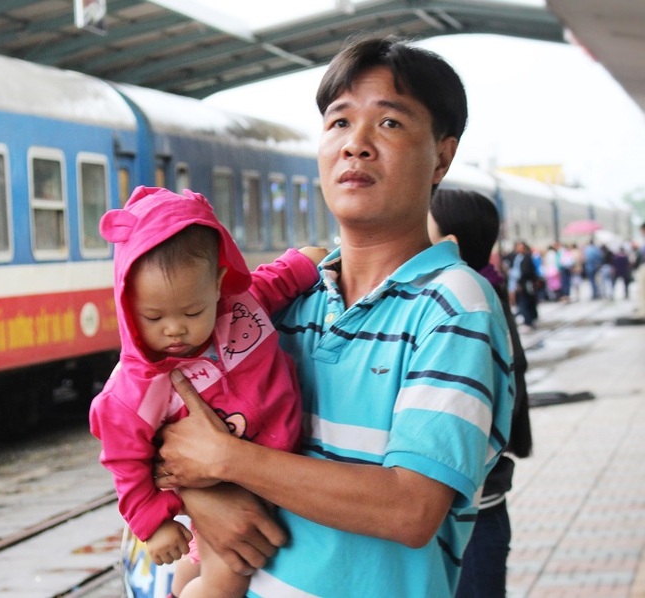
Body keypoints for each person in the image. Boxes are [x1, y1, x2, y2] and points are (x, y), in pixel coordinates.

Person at [153, 35, 514, 597]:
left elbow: (410, 509)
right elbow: (171, 426)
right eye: (339, 123)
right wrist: (206, 496)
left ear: (442, 156)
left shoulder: (453, 304)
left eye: (390, 124)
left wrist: (229, 460)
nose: (357, 145)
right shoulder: (290, 301)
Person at [90, 186, 326, 597]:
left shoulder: (242, 307)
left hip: (259, 467)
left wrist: (309, 260)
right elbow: (123, 458)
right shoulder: (137, 385)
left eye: (192, 311)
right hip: (221, 486)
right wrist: (153, 521)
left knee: (195, 569)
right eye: (152, 316)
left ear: (218, 285)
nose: (174, 329)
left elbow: (278, 279)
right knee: (225, 581)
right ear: (127, 303)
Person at [429, 188, 533, 598]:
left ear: (448, 244)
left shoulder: (472, 310)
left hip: (468, 519)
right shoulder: (481, 295)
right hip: (475, 513)